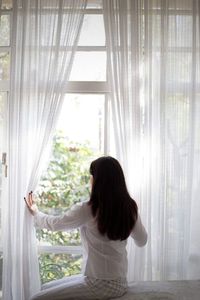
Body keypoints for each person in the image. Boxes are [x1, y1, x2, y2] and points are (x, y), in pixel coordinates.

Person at [25, 156, 147, 300]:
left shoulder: (89, 208)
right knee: (45, 288)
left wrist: (36, 212)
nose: (91, 180)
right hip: (119, 282)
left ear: (98, 181)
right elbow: (142, 241)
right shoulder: (129, 207)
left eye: (92, 176)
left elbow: (56, 224)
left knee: (37, 298)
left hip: (100, 283)